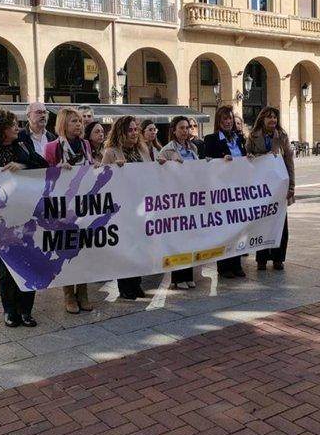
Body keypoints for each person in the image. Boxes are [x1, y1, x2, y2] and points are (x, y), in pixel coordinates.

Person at [0, 108, 48, 327]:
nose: (17, 127)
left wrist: (23, 166)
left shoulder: (22, 149)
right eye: (12, 125)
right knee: (6, 269)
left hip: (26, 220)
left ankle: (26, 311)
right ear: (0, 129)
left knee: (29, 265)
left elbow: (43, 166)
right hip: (0, 223)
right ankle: (10, 311)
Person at [44, 108, 95, 314]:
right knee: (66, 250)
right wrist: (57, 168)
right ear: (64, 123)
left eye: (80, 121)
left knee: (84, 249)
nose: (79, 125)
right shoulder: (52, 147)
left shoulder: (85, 144)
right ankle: (68, 294)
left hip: (84, 206)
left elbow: (90, 168)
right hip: (62, 207)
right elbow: (44, 175)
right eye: (74, 121)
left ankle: (83, 292)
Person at [102, 116, 153, 299]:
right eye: (129, 130)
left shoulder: (142, 149)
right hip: (121, 208)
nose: (133, 133)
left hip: (140, 207)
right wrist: (115, 170)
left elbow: (150, 172)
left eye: (135, 130)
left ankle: (136, 282)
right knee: (126, 247)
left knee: (138, 246)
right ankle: (125, 286)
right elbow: (102, 179)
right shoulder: (111, 152)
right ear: (121, 132)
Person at [245, 107, 295, 272]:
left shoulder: (282, 137)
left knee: (280, 223)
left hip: (279, 186)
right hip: (260, 187)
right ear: (262, 119)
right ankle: (261, 259)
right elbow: (246, 159)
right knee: (261, 223)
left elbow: (289, 162)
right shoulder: (252, 136)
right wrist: (253, 158)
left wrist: (291, 186)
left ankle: (279, 258)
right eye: (269, 117)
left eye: (275, 117)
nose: (273, 120)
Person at [204, 105, 249, 279]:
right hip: (222, 191)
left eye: (230, 118)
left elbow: (243, 159)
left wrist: (248, 159)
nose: (228, 122)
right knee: (224, 230)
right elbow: (206, 162)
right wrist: (220, 160)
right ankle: (224, 267)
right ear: (219, 121)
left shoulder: (239, 138)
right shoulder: (211, 139)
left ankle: (236, 264)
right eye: (224, 119)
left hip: (238, 190)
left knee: (237, 228)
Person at [160, 116, 200, 289]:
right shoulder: (167, 150)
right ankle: (177, 278)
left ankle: (188, 274)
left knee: (190, 238)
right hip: (176, 199)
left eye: (187, 127)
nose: (185, 131)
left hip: (191, 198)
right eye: (181, 128)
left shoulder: (193, 148)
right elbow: (160, 173)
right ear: (174, 130)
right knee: (178, 239)